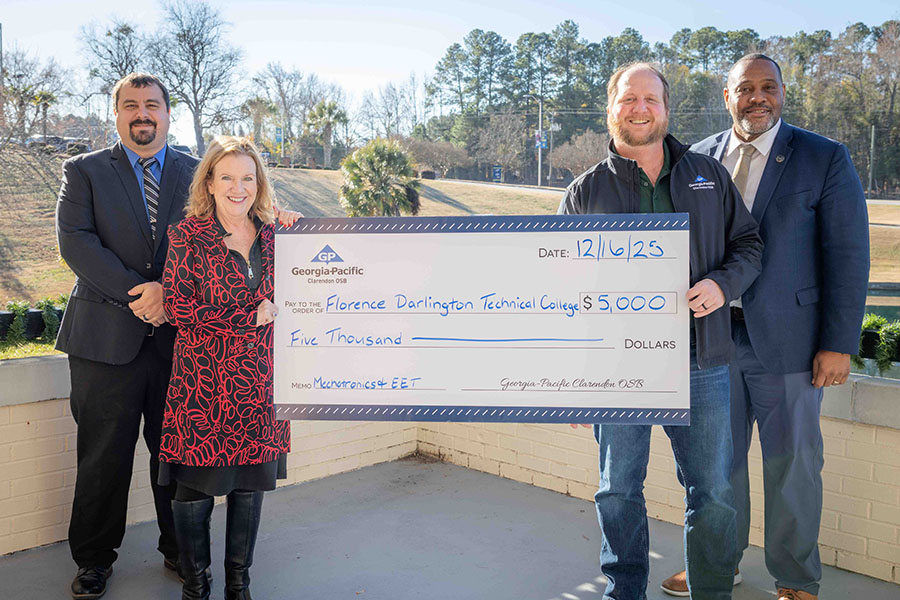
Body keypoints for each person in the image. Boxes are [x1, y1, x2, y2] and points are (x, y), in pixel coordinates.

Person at [661, 54, 869, 600]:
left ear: (782, 92)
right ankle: (715, 565)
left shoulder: (823, 157)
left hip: (792, 344)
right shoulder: (694, 158)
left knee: (793, 466)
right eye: (745, 88)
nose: (758, 97)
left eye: (768, 86)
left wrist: (837, 344)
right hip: (711, 341)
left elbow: (848, 255)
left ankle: (796, 579)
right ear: (726, 96)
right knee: (714, 468)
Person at [559, 62, 763, 600]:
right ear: (611, 109)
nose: (640, 109)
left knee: (714, 493)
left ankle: (712, 590)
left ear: (666, 108)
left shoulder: (707, 175)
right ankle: (624, 592)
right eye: (629, 99)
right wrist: (570, 383)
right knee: (617, 492)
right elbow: (558, 292)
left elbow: (750, 245)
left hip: (702, 363)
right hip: (616, 372)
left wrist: (722, 285)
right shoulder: (584, 193)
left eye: (651, 99)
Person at [57, 72, 199, 600]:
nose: (143, 114)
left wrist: (172, 293)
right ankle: (93, 560)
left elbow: (221, 234)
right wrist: (143, 293)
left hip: (178, 343)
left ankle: (181, 551)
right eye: (131, 105)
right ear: (115, 113)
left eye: (153, 105)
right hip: (102, 341)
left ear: (168, 113)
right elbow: (76, 243)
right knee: (102, 458)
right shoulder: (84, 171)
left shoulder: (197, 172)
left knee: (177, 454)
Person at [159, 136, 291, 600]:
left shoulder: (279, 237)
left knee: (248, 488)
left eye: (248, 178)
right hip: (203, 387)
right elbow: (177, 307)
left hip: (261, 386)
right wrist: (244, 317)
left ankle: (239, 584)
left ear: (260, 183)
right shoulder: (188, 236)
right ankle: (196, 587)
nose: (239, 188)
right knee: (194, 490)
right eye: (228, 177)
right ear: (210, 183)